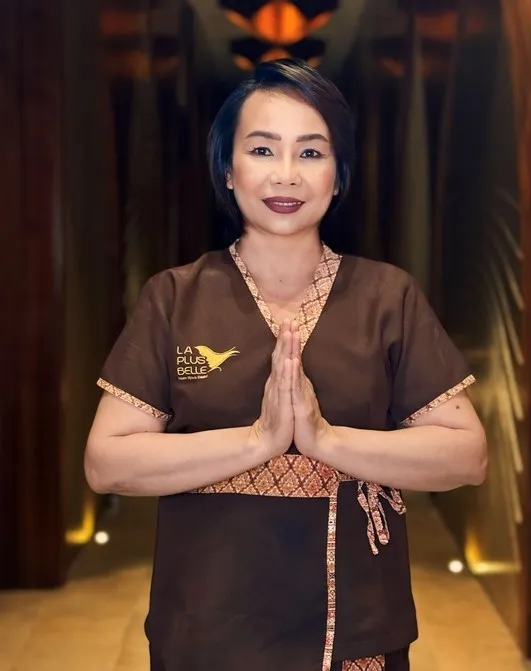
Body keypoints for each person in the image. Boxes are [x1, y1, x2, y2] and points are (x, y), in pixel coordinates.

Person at [85, 58, 487, 671]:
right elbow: (106, 462)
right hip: (206, 618)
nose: (286, 174)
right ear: (228, 169)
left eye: (311, 152)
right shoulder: (174, 297)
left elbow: (467, 455)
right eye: (262, 149)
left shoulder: (388, 297)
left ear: (338, 174)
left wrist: (324, 440)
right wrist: (259, 441)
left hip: (355, 623)